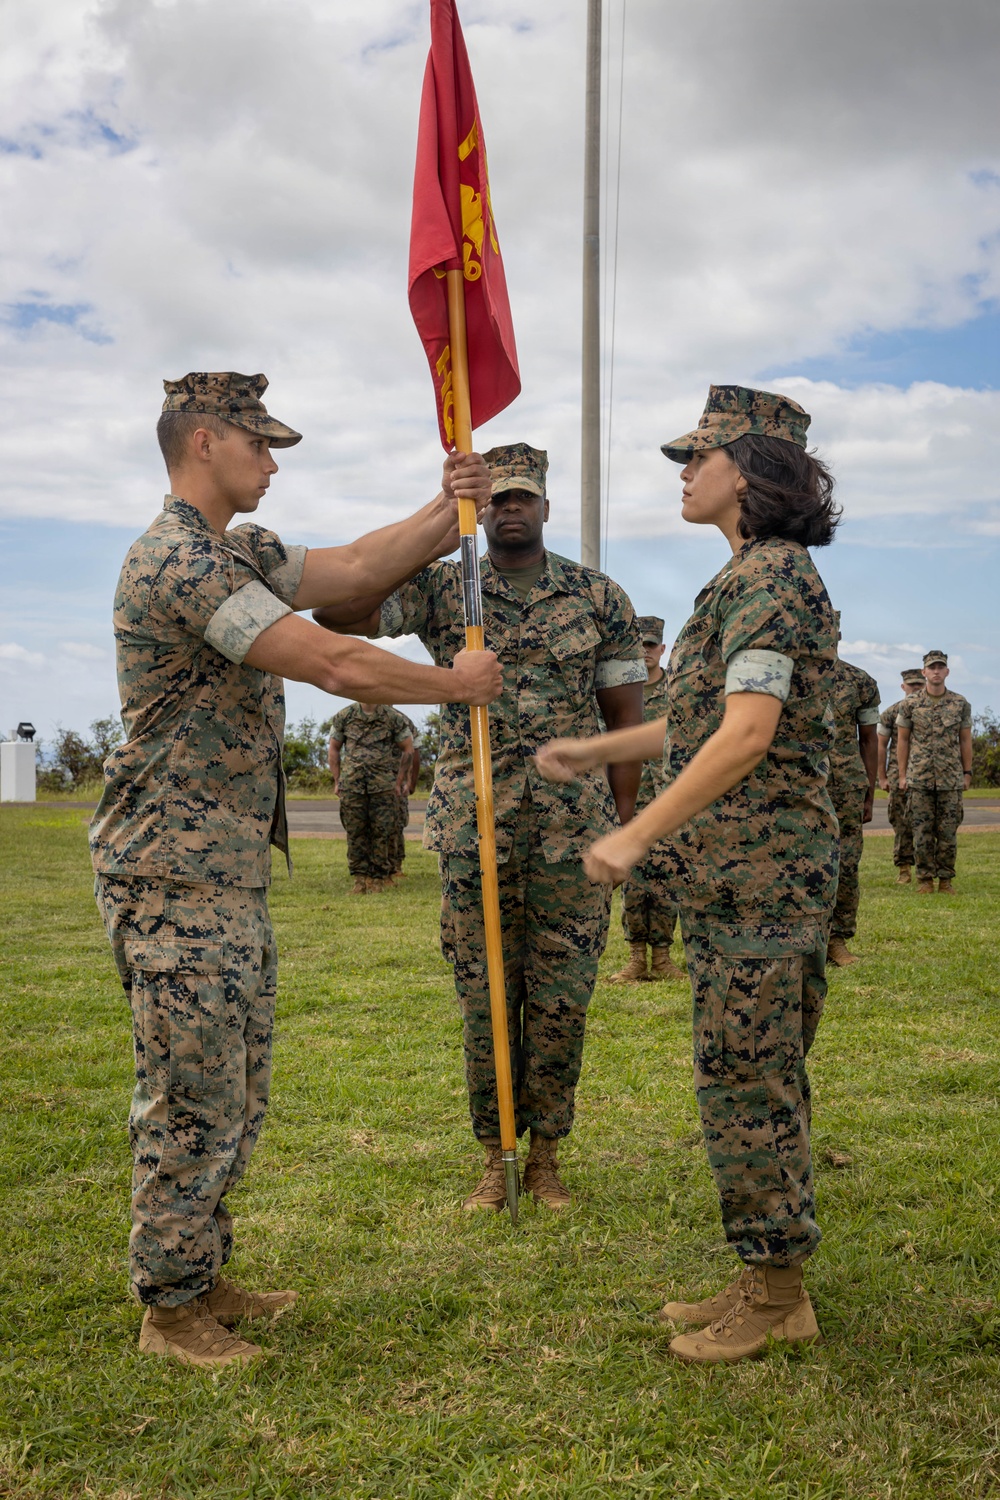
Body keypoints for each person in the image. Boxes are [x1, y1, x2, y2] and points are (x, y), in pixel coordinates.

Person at [90, 371, 501, 1368]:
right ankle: (170, 1310)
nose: (272, 463)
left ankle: (201, 1272)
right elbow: (333, 662)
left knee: (233, 1090)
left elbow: (358, 563)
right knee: (191, 1092)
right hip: (170, 873)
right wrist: (454, 684)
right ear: (202, 443)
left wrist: (450, 504)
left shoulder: (241, 552)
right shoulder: (179, 562)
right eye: (259, 444)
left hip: (219, 871)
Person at [536, 386, 840, 1364]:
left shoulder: (772, 580)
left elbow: (746, 736)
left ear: (747, 471)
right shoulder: (743, 578)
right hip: (734, 883)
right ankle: (761, 1274)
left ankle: (778, 1292)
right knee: (744, 1073)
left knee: (749, 1081)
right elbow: (703, 721)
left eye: (697, 456)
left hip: (764, 882)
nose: (683, 472)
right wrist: (596, 749)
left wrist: (633, 836)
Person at [316, 441, 645, 1210]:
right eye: (497, 498)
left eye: (523, 496)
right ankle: (496, 1159)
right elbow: (340, 613)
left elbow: (626, 720)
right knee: (485, 997)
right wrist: (430, 536)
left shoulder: (598, 597)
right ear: (478, 508)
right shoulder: (444, 588)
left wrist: (625, 829)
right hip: (476, 829)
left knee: (562, 999)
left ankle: (547, 1158)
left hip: (572, 834)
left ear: (546, 506)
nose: (511, 508)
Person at [608, 615, 685, 984]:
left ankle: (663, 958)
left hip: (671, 800)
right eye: (639, 644)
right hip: (633, 801)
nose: (645, 651)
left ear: (662, 648)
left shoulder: (678, 690)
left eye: (651, 645)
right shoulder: (623, 692)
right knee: (635, 880)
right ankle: (636, 958)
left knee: (668, 877)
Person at [897, 650, 973, 893]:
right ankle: (925, 880)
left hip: (950, 779)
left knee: (948, 833)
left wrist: (967, 773)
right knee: (922, 832)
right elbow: (902, 740)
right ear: (924, 672)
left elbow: (965, 740)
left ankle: (946, 880)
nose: (936, 671)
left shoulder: (960, 703)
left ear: (947, 671)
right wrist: (902, 775)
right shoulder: (910, 704)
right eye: (932, 667)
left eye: (940, 667)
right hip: (919, 778)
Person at [826, 630, 879, 966]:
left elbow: (869, 740)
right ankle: (803, 941)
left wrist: (869, 793)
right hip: (800, 783)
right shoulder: (788, 677)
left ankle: (837, 940)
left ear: (838, 635)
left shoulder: (860, 681)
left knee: (845, 864)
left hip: (846, 786)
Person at [328, 702, 414, 892]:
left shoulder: (393, 717)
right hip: (353, 784)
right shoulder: (344, 715)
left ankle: (378, 879)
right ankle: (360, 880)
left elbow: (408, 749)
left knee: (382, 832)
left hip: (383, 786)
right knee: (355, 832)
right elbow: (334, 748)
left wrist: (399, 781)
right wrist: (337, 780)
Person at [877, 668, 925, 883]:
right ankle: (904, 869)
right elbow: (880, 746)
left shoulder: (932, 710)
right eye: (911, 685)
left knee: (926, 823)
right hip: (898, 776)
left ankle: (926, 870)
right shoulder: (891, 713)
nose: (915, 688)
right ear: (903, 686)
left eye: (919, 684)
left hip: (925, 774)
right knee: (901, 822)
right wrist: (882, 777)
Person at [389, 714, 421, 879]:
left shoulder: (403, 721)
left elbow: (414, 752)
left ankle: (395, 867)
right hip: (367, 781)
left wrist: (411, 782)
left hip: (396, 782)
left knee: (396, 824)